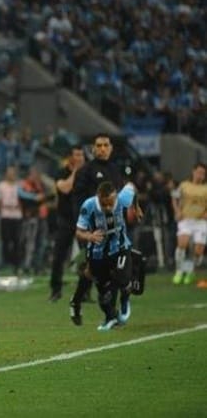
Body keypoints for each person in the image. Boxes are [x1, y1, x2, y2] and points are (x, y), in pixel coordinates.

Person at [69, 133, 137, 325]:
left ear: (111, 148)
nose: (102, 149)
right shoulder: (85, 171)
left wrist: (131, 212)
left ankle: (110, 313)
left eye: (106, 145)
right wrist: (84, 232)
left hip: (115, 232)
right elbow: (78, 203)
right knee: (95, 274)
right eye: (98, 145)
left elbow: (125, 195)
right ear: (93, 149)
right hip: (94, 234)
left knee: (113, 273)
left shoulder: (115, 170)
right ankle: (84, 304)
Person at [75, 181, 137, 331]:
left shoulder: (123, 198)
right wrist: (90, 236)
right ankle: (110, 318)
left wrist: (136, 207)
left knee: (122, 278)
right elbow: (79, 231)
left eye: (111, 203)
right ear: (98, 197)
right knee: (103, 291)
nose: (108, 207)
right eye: (104, 204)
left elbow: (131, 186)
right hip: (99, 253)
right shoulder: (89, 205)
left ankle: (125, 299)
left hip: (121, 247)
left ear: (115, 197)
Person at [49, 146, 85, 301]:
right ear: (70, 157)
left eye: (82, 155)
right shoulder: (61, 173)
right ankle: (55, 290)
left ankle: (85, 291)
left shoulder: (87, 174)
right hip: (65, 220)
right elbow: (65, 189)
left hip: (82, 221)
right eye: (77, 155)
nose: (80, 158)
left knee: (86, 255)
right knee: (59, 256)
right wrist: (76, 172)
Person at [171, 162, 207, 285]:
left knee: (198, 251)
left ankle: (190, 271)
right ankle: (179, 271)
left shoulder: (205, 188)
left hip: (201, 222)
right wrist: (177, 211)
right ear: (193, 171)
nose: (200, 175)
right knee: (182, 243)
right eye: (199, 172)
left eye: (203, 173)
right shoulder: (184, 185)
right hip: (186, 220)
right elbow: (174, 197)